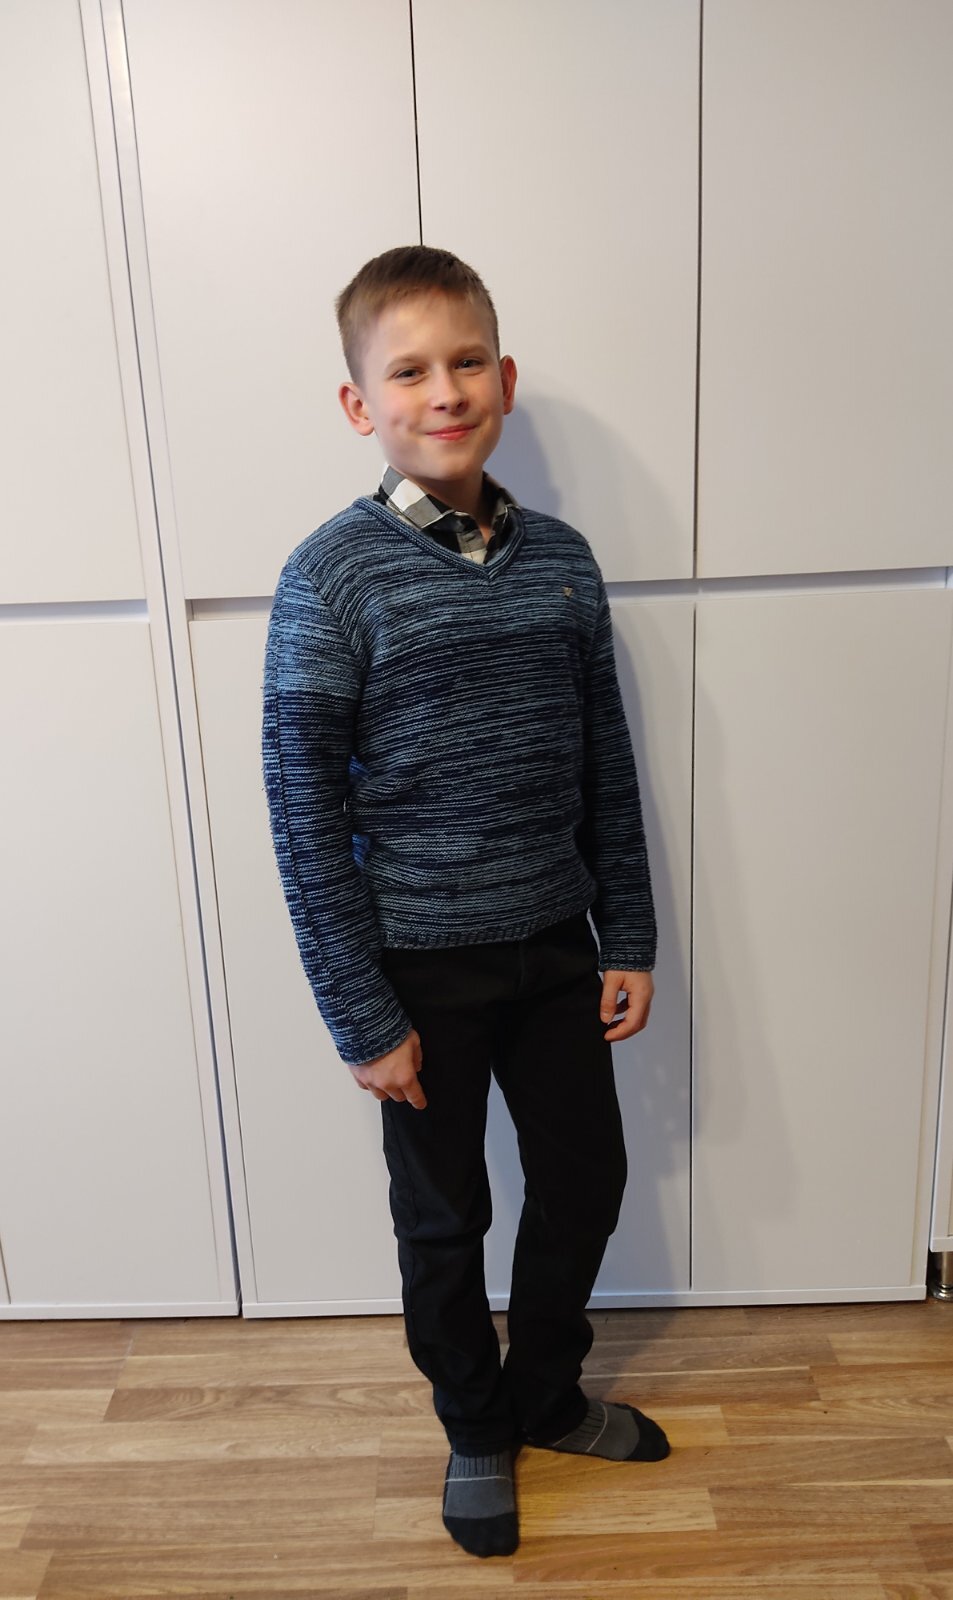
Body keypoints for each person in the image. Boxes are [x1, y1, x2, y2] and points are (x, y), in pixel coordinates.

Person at [261, 245, 669, 1559]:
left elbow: (605, 765)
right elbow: (302, 811)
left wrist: (628, 934)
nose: (444, 390)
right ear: (358, 404)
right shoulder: (330, 577)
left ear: (505, 376)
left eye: (467, 361)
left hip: (554, 947)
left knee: (585, 1180)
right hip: (417, 971)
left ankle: (544, 1392)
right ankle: (474, 1425)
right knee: (444, 1219)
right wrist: (360, 1013)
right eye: (408, 371)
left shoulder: (563, 563)